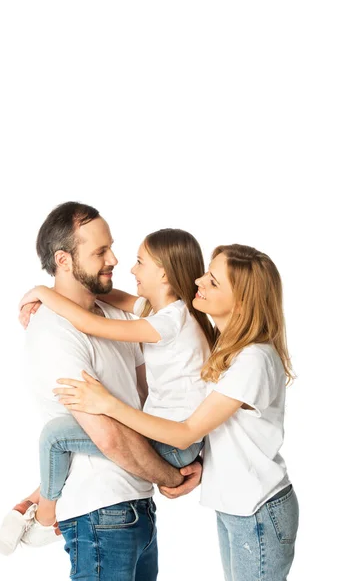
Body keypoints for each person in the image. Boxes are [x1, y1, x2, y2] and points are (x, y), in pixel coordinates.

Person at [54, 244, 299, 581]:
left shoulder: (252, 360)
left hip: (256, 509)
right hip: (240, 506)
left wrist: (108, 404)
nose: (198, 280)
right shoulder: (227, 345)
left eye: (213, 281)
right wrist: (201, 467)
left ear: (240, 302)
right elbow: (227, 430)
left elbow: (186, 431)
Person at [0, 201, 201, 581]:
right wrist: (172, 476)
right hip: (101, 516)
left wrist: (178, 459)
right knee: (57, 437)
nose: (115, 259)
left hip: (136, 508)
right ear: (65, 260)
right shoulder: (53, 330)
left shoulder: (123, 316)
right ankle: (43, 510)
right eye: (100, 251)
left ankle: (38, 506)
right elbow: (105, 435)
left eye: (112, 247)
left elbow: (142, 399)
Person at [16, 226, 216, 531]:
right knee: (82, 435)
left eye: (140, 262)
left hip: (173, 443)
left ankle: (45, 516)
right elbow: (115, 297)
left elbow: (89, 323)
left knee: (56, 436)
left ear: (163, 275)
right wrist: (62, 296)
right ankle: (41, 496)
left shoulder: (167, 323)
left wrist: (43, 292)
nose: (130, 267)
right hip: (177, 439)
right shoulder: (166, 311)